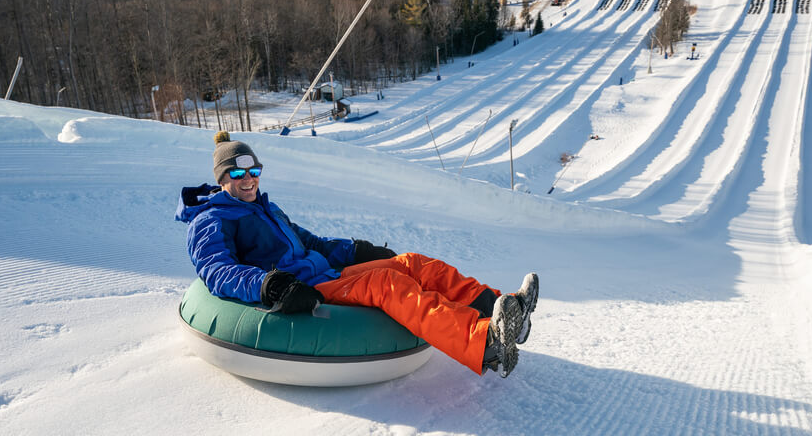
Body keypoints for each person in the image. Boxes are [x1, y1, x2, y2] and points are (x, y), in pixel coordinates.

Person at [175, 132, 539, 378]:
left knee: (413, 263)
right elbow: (216, 270)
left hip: (325, 273)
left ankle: (501, 310)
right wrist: (270, 285)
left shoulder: (264, 208)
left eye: (254, 170)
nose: (249, 178)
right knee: (387, 283)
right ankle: (486, 346)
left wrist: (356, 250)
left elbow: (310, 242)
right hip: (302, 288)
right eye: (238, 172)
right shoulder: (211, 219)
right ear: (223, 177)